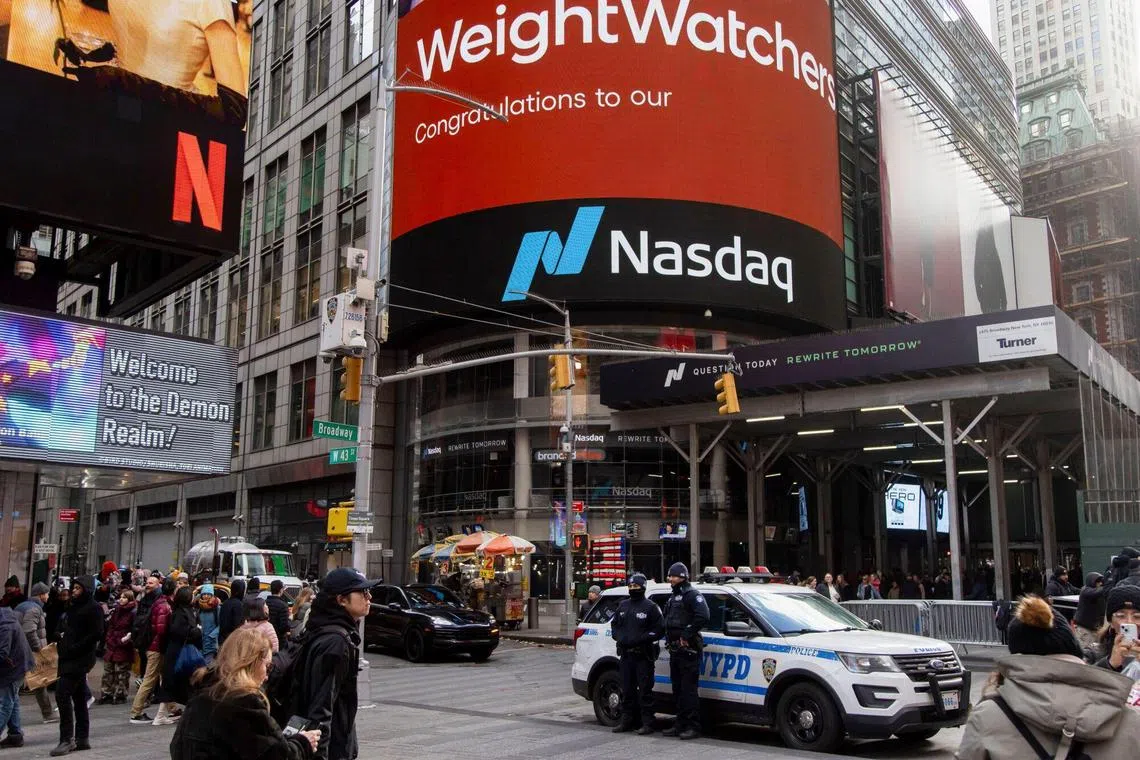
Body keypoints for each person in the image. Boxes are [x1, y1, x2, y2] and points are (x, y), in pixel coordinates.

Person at [955, 595, 1140, 759]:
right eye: (1121, 615)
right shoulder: (1128, 718)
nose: (1130, 621)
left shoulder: (989, 717)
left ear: (1016, 656)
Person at [170, 627, 319, 760]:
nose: (267, 676)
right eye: (268, 666)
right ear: (252, 663)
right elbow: (276, 755)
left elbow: (178, 746)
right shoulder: (244, 703)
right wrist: (302, 744)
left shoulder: (203, 692)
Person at [292, 568, 370, 760]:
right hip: (333, 747)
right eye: (362, 592)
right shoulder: (335, 642)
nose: (369, 597)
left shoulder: (323, 628)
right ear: (341, 600)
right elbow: (321, 708)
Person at [53, 576, 104, 756]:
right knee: (80, 697)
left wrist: (76, 646)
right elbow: (62, 625)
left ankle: (67, 738)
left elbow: (96, 633)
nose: (74, 591)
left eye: (78, 588)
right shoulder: (72, 606)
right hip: (68, 656)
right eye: (73, 588)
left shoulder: (93, 608)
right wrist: (59, 635)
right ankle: (82, 737)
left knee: (62, 693)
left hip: (80, 658)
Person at [609, 573, 664, 735]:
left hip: (643, 656)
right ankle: (627, 721)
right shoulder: (623, 605)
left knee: (645, 690)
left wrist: (643, 638)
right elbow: (615, 625)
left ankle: (647, 723)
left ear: (643, 587)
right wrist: (619, 636)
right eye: (631, 586)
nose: (633, 589)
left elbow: (659, 629)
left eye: (636, 586)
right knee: (627, 689)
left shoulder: (651, 607)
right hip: (626, 656)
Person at [661, 563, 708, 740]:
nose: (670, 579)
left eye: (673, 576)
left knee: (688, 690)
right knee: (678, 689)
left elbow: (703, 616)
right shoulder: (673, 597)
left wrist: (686, 634)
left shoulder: (692, 595)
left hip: (688, 650)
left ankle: (693, 726)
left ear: (682, 577)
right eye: (669, 576)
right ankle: (680, 724)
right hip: (675, 650)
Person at [155, 587, 201, 726]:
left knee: (175, 685)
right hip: (180, 654)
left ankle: (164, 715)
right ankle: (162, 716)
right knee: (179, 684)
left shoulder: (178, 611)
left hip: (176, 653)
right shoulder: (182, 613)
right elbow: (179, 632)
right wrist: (196, 631)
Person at [130, 577, 173, 724]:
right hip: (155, 647)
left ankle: (172, 708)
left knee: (162, 678)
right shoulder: (162, 605)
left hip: (154, 646)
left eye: (151, 583)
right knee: (150, 679)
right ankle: (136, 712)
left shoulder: (157, 602)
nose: (148, 585)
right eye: (147, 583)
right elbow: (161, 630)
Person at [15, 582, 56, 723]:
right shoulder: (35, 609)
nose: (48, 596)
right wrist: (39, 648)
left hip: (20, 649)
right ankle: (48, 714)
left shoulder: (22, 606)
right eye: (47, 593)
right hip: (30, 651)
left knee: (18, 683)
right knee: (39, 682)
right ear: (41, 594)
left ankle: (47, 713)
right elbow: (29, 631)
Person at [0, 603, 35, 748]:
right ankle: (15, 735)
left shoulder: (5, 626)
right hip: (15, 665)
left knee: (5, 702)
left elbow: (2, 652)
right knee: (12, 700)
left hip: (13, 668)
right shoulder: (5, 620)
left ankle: (15, 735)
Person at [99, 589, 136, 705]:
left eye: (124, 597)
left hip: (123, 644)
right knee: (108, 670)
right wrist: (109, 638)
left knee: (121, 672)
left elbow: (133, 629)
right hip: (113, 643)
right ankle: (107, 694)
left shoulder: (133, 612)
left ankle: (120, 694)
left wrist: (124, 640)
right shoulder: (116, 610)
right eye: (121, 597)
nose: (121, 599)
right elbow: (110, 626)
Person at [1094, 584, 1140, 673]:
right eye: (1121, 616)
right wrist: (1110, 664)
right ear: (1110, 622)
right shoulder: (1094, 653)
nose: (1129, 622)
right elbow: (1084, 679)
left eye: (1137, 616)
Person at [1073, 572, 1112, 651]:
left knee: (1097, 651)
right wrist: (1108, 583)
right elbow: (1097, 592)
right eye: (1098, 582)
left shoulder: (1100, 592)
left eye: (1101, 581)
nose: (1100, 583)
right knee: (1085, 650)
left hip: (1095, 628)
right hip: (1084, 628)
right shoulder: (1085, 590)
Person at [218, 578, 247, 648]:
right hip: (233, 641)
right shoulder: (238, 604)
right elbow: (237, 625)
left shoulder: (225, 603)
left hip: (222, 639)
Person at [196, 584, 221, 663]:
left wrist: (212, 635)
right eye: (204, 594)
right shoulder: (199, 608)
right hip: (200, 643)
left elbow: (221, 625)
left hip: (211, 644)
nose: (206, 596)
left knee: (208, 665)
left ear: (212, 595)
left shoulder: (217, 608)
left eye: (208, 594)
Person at [266, 580, 291, 646]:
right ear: (280, 590)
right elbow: (284, 626)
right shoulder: (283, 605)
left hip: (265, 636)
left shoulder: (264, 603)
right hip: (278, 639)